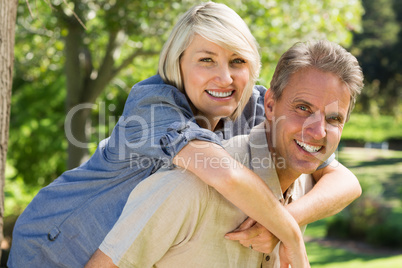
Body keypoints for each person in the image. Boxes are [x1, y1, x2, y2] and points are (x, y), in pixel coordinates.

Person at [8, 2, 361, 267]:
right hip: (54, 246)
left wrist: (290, 219)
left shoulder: (257, 104)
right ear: (178, 62)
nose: (224, 78)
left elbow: (343, 180)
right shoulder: (154, 104)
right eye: (206, 60)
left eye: (237, 61)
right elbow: (223, 173)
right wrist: (290, 235)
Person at [85, 39, 364, 268]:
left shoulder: (306, 186)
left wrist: (286, 221)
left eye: (333, 119)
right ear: (270, 105)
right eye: (302, 108)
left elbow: (348, 183)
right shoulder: (191, 186)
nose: (317, 132)